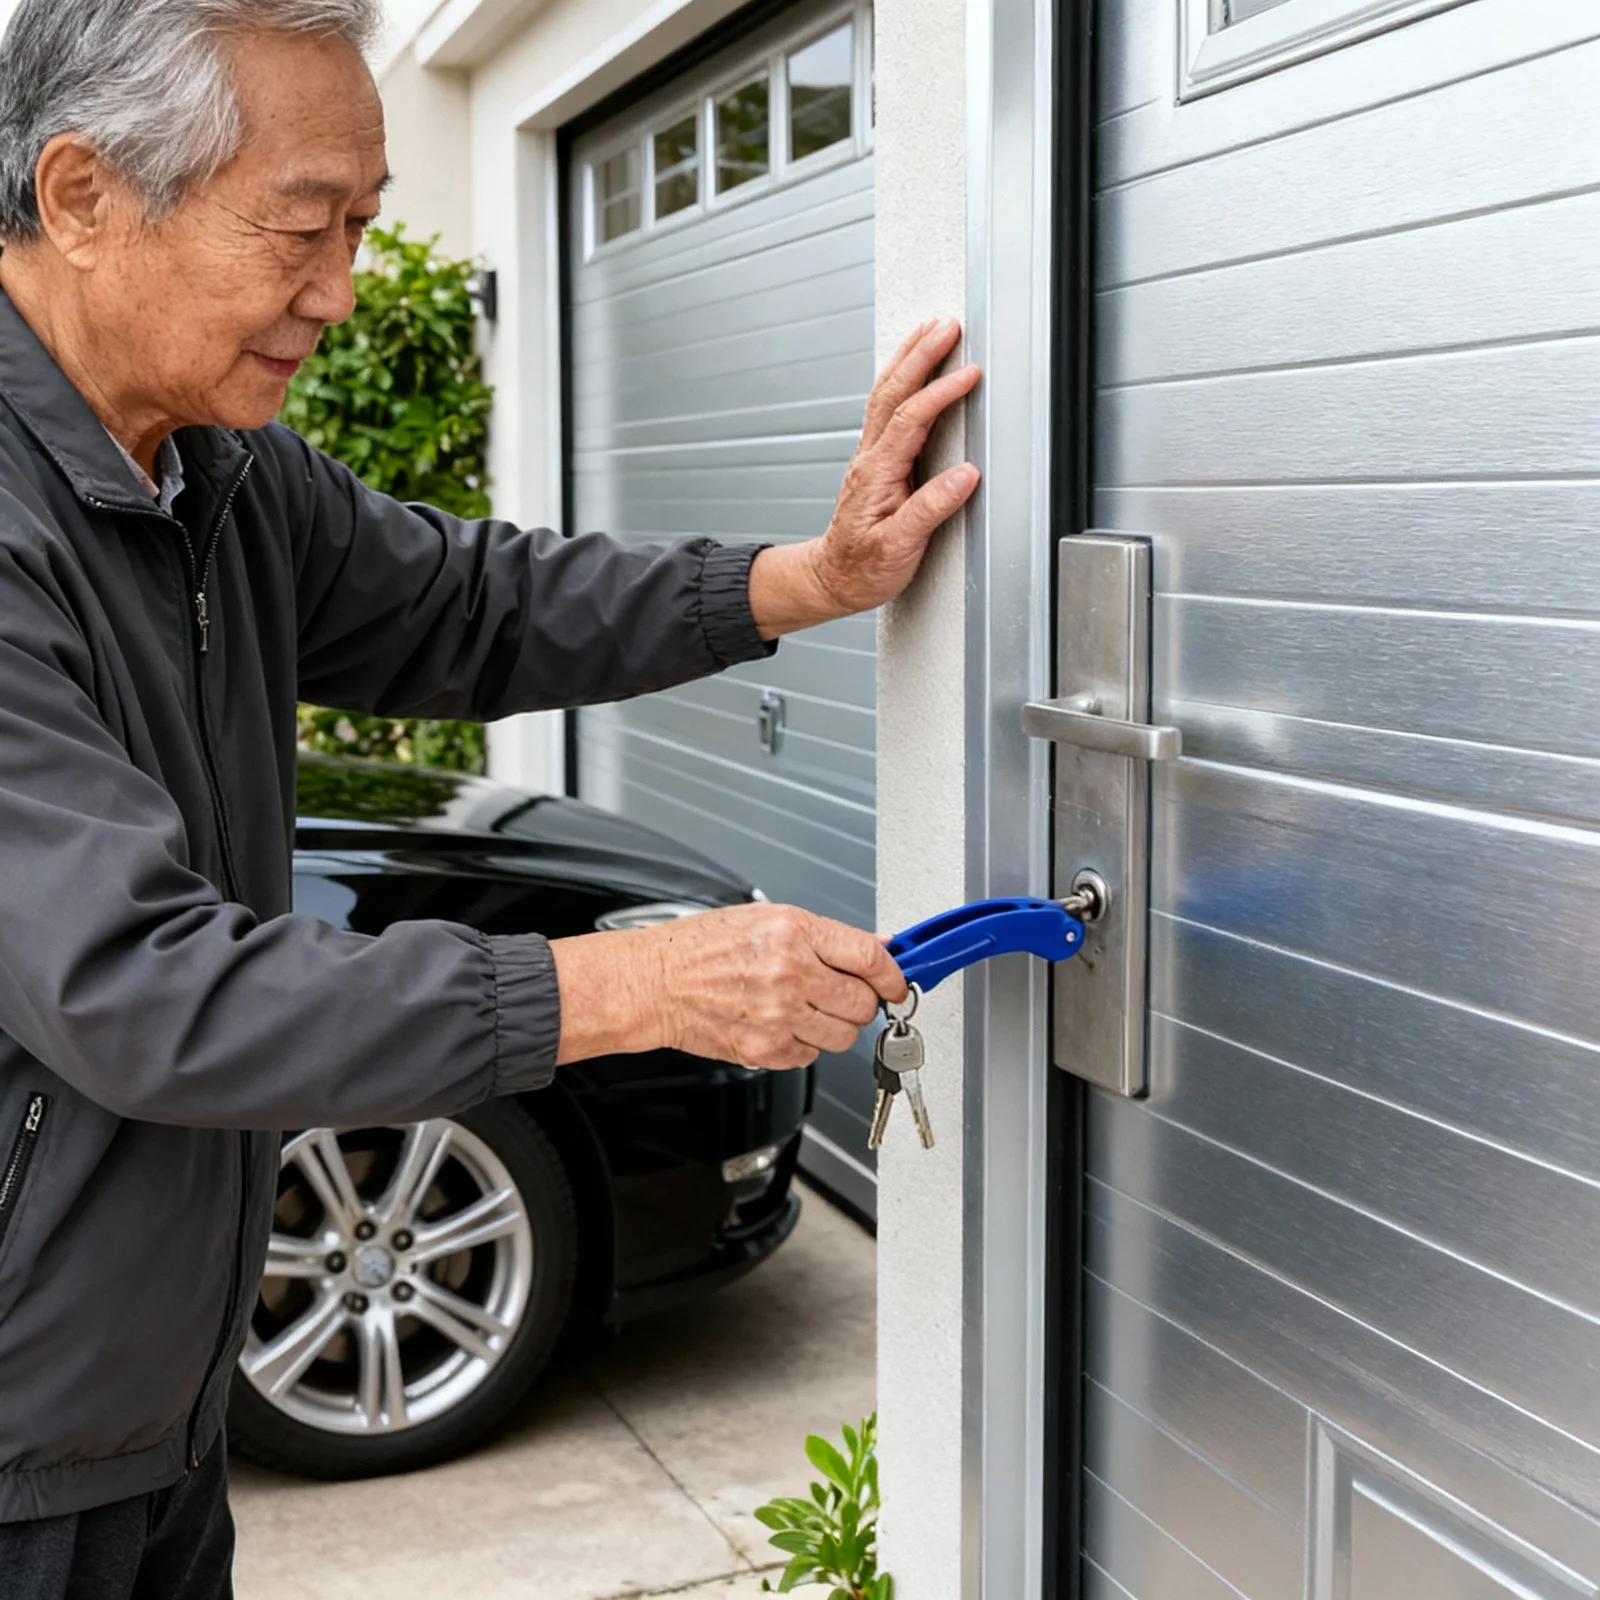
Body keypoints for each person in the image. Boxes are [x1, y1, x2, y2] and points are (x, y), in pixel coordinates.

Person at [0, 0, 981, 1594]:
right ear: (84, 197)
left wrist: (806, 579)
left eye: (363, 227)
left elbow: (471, 603)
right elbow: (143, 988)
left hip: (152, 1404)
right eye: (303, 227)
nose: (339, 290)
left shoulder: (212, 466)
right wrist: (639, 980)